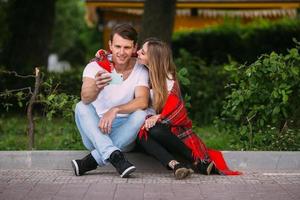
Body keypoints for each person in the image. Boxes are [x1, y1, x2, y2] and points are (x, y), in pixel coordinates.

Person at [136, 38, 241, 179]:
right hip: (149, 127)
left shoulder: (168, 80)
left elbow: (177, 112)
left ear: (153, 59)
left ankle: (195, 159)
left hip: (172, 130)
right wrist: (101, 56)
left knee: (155, 130)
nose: (137, 53)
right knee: (142, 136)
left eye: (142, 52)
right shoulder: (140, 71)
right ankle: (177, 165)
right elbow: (120, 55)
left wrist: (159, 117)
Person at [71, 24, 149, 178]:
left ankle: (93, 160)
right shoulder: (95, 66)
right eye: (118, 46)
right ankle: (113, 156)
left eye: (127, 47)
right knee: (81, 106)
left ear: (135, 47)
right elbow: (85, 97)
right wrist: (97, 86)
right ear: (110, 46)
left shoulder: (140, 69)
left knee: (140, 114)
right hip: (96, 130)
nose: (121, 52)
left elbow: (142, 101)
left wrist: (115, 110)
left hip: (125, 133)